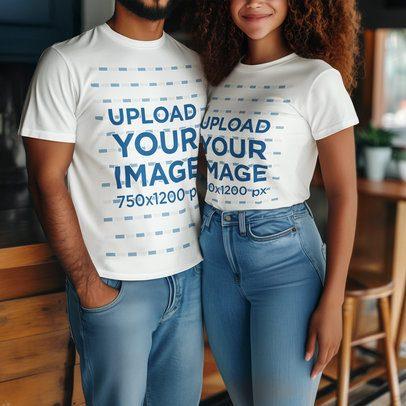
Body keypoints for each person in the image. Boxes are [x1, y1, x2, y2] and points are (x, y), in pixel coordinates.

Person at [19, 1, 207, 405]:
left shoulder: (196, 64)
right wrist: (89, 286)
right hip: (114, 283)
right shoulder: (66, 62)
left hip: (188, 280)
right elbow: (44, 179)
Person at [196, 0, 360, 404]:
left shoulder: (317, 79)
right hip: (216, 256)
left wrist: (333, 300)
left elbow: (343, 195)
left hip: (285, 262)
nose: (254, 3)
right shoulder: (215, 77)